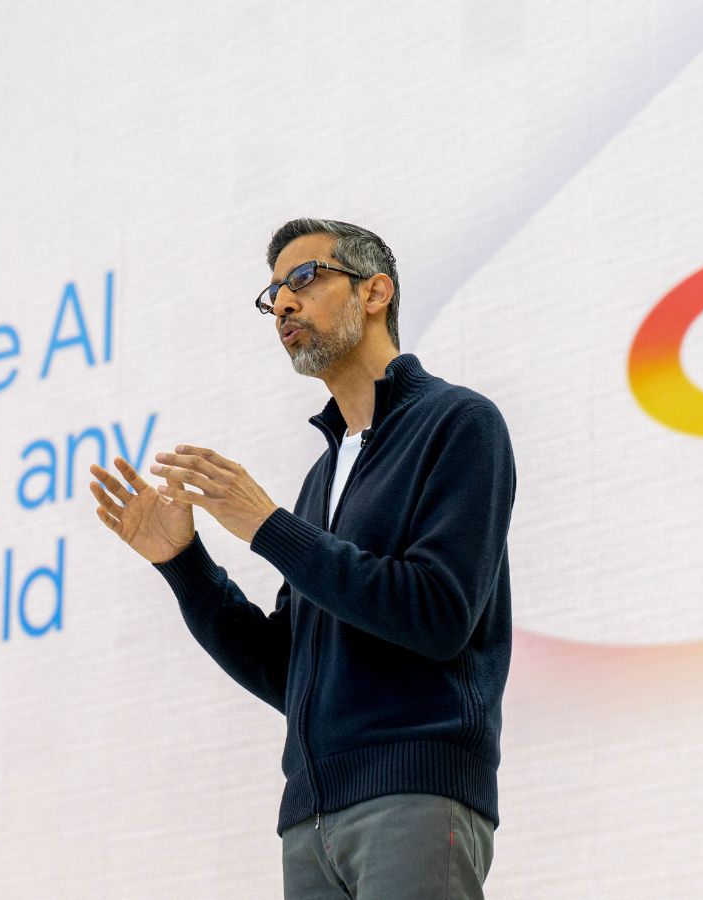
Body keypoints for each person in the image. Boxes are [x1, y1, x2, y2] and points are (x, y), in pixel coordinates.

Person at [88, 218, 516, 899]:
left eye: (304, 279)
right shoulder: (324, 477)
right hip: (310, 821)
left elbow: (438, 614)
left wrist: (268, 528)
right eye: (274, 294)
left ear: (375, 292)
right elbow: (288, 671)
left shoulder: (459, 423)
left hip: (414, 793)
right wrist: (184, 563)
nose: (282, 304)